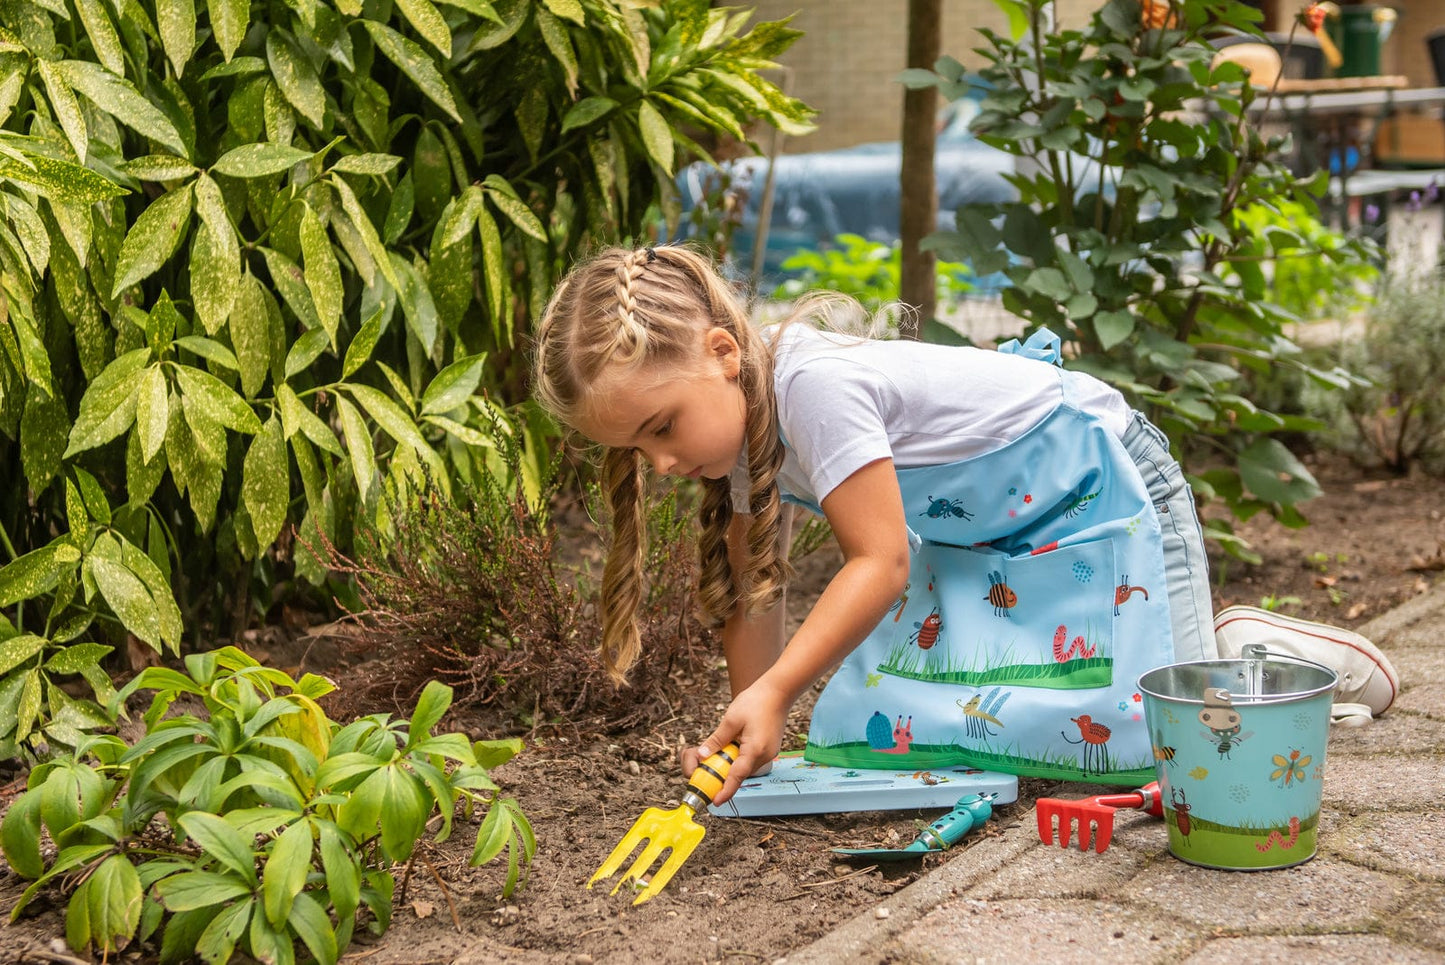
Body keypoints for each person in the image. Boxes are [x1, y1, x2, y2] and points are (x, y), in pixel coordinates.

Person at [530, 244, 1386, 807]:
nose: (661, 463)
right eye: (637, 448)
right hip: (999, 541)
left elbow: (880, 562)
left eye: (662, 428)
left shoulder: (811, 386)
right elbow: (755, 595)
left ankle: (1249, 651)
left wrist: (779, 690)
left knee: (1187, 756)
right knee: (972, 733)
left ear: (722, 353)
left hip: (1104, 484)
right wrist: (750, 730)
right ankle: (1184, 643)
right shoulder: (737, 442)